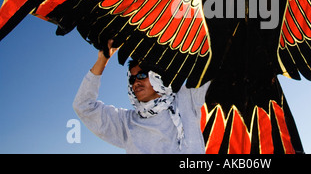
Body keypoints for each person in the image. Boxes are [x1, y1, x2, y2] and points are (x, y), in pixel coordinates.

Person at [73, 40, 210, 154]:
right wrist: (102, 60)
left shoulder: (186, 99)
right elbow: (84, 106)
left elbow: (217, 68)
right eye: (132, 79)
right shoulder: (126, 122)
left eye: (142, 75)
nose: (136, 82)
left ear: (156, 77)